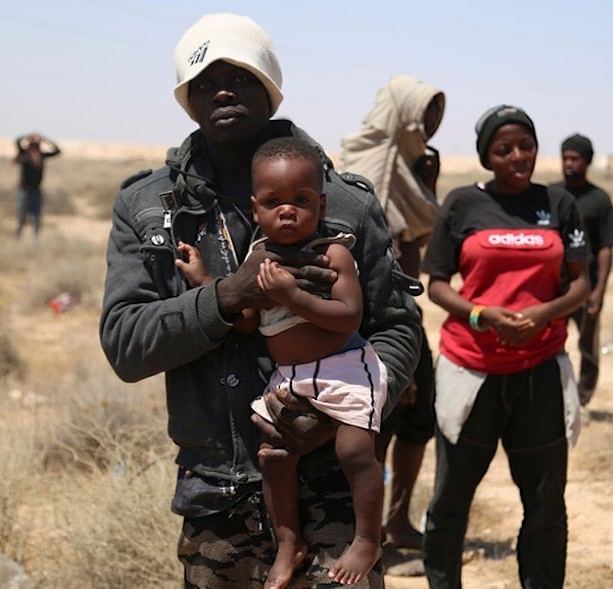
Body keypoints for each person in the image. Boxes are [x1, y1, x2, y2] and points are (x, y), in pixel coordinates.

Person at [99, 13, 422, 589]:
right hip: (215, 492)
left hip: (334, 489)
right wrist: (228, 295)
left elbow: (398, 329)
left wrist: (345, 414)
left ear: (270, 87)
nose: (223, 91)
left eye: (242, 77)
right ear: (187, 98)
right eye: (204, 81)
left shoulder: (341, 202)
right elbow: (126, 344)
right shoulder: (150, 207)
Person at [175, 137, 388, 588]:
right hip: (290, 378)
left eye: (301, 201)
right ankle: (289, 542)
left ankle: (368, 538)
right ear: (255, 208)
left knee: (354, 452)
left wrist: (292, 295)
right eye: (273, 202)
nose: (287, 211)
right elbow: (249, 322)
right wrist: (207, 283)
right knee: (274, 457)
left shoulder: (333, 254)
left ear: (321, 203)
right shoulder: (257, 259)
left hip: (346, 367)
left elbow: (349, 315)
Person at [419, 105, 591, 589]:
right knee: (451, 499)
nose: (518, 156)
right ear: (486, 157)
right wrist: (481, 315)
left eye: (526, 146)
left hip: (540, 371)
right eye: (504, 149)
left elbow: (580, 283)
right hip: (471, 370)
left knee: (545, 505)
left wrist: (543, 314)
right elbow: (436, 283)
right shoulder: (461, 205)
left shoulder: (559, 204)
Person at [339, 75, 444, 553]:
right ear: (403, 113)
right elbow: (369, 255)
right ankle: (369, 531)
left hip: (408, 311)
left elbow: (417, 238)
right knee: (379, 426)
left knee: (420, 422)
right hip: (377, 317)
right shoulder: (369, 166)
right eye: (425, 115)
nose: (431, 126)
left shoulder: (411, 165)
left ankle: (398, 523)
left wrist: (427, 182)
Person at [550, 133, 613, 410]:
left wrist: (599, 290)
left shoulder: (599, 199)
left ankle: (583, 398)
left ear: (587, 161)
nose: (569, 163)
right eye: (565, 157)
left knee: (588, 346)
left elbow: (606, 247)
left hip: (585, 285)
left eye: (575, 158)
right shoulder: (550, 194)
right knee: (550, 343)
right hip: (554, 285)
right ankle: (553, 395)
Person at [12, 132, 61, 238]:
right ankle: (17, 237)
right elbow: (17, 141)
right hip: (24, 191)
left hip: (36, 191)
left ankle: (35, 241)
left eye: (36, 145)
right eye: (33, 145)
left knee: (36, 218)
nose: (34, 147)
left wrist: (45, 139)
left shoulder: (41, 156)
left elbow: (57, 151)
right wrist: (28, 136)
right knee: (21, 217)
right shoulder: (24, 154)